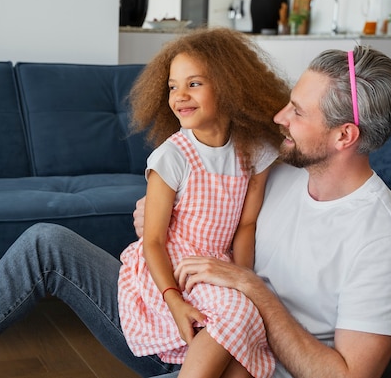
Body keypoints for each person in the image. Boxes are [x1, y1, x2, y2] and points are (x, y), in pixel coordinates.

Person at [0, 43, 391, 378]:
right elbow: (208, 185)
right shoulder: (276, 167)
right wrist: (159, 218)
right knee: (44, 243)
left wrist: (253, 291)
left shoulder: (385, 239)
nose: (279, 115)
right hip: (179, 317)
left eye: (297, 111)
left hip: (240, 361)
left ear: (345, 135)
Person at [116, 29, 289, 378]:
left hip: (215, 267)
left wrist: (243, 278)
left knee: (252, 323)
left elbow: (245, 225)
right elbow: (152, 241)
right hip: (171, 269)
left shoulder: (253, 151)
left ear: (229, 86)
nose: (180, 96)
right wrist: (174, 299)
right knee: (238, 314)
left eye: (194, 84)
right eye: (172, 86)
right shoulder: (172, 157)